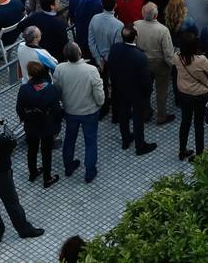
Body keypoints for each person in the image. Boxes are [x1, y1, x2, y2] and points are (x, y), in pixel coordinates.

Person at [0, 111, 45, 242]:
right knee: (12, 203)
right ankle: (24, 230)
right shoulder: (1, 140)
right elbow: (12, 144)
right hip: (2, 175)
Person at [54, 42, 105, 183]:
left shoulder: (59, 69)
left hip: (70, 111)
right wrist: (100, 103)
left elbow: (57, 89)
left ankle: (68, 166)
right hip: (89, 111)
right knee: (90, 141)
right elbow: (99, 94)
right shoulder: (91, 70)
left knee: (70, 139)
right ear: (80, 53)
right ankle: (89, 171)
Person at [105, 25, 159, 156]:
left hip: (119, 88)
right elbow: (145, 78)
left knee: (123, 114)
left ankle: (126, 139)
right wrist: (147, 92)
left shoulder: (115, 48)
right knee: (137, 117)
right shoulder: (139, 56)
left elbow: (111, 66)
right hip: (136, 92)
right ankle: (140, 146)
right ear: (135, 37)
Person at [14, 60, 63, 188]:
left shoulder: (24, 89)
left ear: (30, 75)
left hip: (31, 125)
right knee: (46, 152)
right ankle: (47, 178)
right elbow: (57, 110)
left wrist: (25, 118)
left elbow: (19, 108)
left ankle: (33, 172)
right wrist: (57, 124)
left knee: (32, 149)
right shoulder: (52, 90)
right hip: (47, 125)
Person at [174, 30, 208, 160]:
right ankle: (200, 154)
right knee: (198, 124)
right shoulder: (201, 60)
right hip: (199, 94)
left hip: (184, 93)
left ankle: (182, 150)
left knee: (185, 122)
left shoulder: (177, 57)